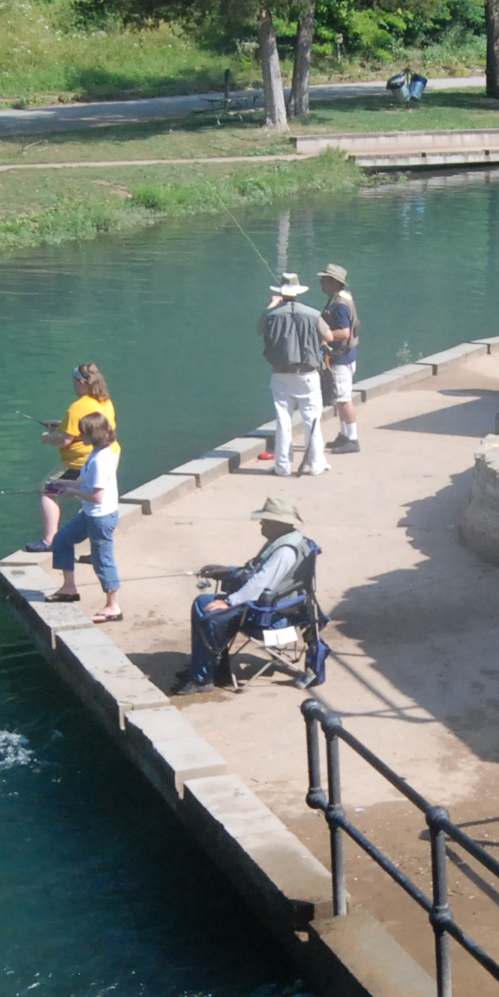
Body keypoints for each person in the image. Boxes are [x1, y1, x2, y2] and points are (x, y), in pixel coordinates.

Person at [178, 498, 322, 692]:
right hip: (280, 607)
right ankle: (206, 668)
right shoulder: (295, 539)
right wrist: (229, 571)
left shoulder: (284, 551)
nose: (261, 525)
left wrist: (229, 602)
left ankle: (202, 678)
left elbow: (259, 583)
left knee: (206, 610)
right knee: (204, 603)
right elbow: (259, 574)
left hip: (273, 618)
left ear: (277, 524)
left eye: (264, 522)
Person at [46, 415, 123, 623]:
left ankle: (113, 607)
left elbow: (97, 497)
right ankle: (69, 588)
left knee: (102, 560)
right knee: (62, 540)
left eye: (84, 432)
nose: (80, 436)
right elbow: (88, 485)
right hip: (90, 515)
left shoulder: (101, 460)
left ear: (93, 434)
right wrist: (66, 484)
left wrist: (72, 494)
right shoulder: (95, 454)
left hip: (101, 517)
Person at [37, 363, 115, 548]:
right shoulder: (105, 401)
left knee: (48, 490)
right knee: (95, 494)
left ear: (81, 382)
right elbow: (90, 426)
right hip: (108, 454)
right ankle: (99, 541)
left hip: (80, 460)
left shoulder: (77, 407)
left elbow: (65, 441)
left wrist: (47, 438)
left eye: (74, 382)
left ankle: (50, 540)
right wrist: (61, 425)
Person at [259, 274, 329, 476]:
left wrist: (271, 306)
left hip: (280, 374)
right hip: (308, 373)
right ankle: (316, 463)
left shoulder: (271, 316)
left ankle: (282, 466)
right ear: (298, 293)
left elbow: (259, 329)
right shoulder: (313, 314)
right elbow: (329, 336)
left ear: (280, 293)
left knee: (283, 420)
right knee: (312, 419)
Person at [318, 264, 362, 454]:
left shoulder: (339, 305)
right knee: (341, 398)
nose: (321, 283)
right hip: (344, 357)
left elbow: (344, 332)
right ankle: (344, 434)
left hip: (341, 359)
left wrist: (323, 335)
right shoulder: (340, 299)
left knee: (344, 399)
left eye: (325, 279)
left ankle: (352, 438)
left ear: (334, 282)